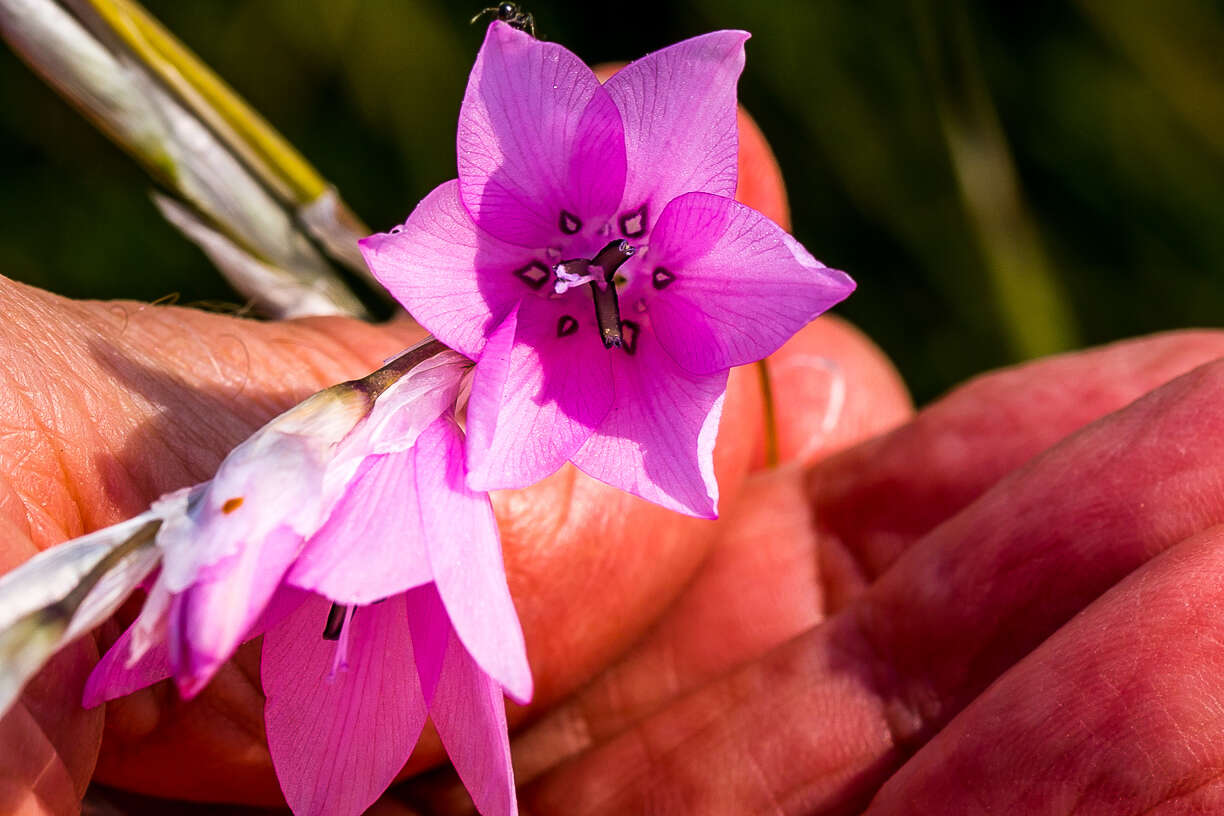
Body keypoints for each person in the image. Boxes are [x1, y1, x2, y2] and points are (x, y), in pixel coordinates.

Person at [5, 116, 1224, 816]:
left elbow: (662, 434)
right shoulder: (471, 309)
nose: (596, 277)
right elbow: (437, 279)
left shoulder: (646, 370)